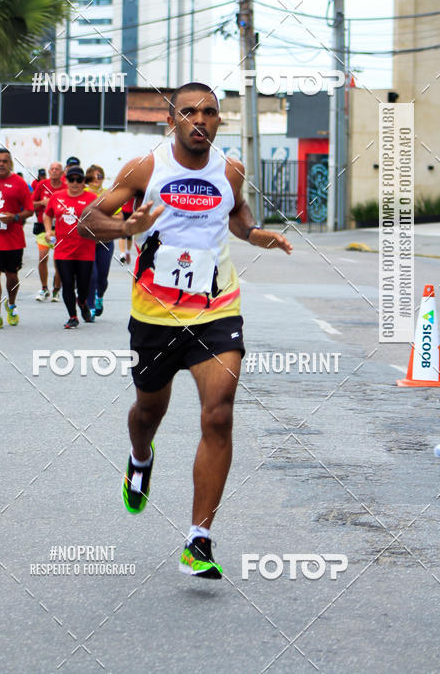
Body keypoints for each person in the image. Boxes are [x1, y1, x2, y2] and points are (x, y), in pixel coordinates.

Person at [79, 82, 292, 579]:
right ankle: (139, 457)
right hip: (154, 316)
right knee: (148, 411)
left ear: (221, 121)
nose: (201, 119)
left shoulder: (232, 169)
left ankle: (199, 538)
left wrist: (254, 233)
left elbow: (237, 214)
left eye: (211, 112)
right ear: (171, 119)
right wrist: (126, 230)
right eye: (190, 111)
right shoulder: (145, 168)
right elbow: (90, 220)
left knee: (218, 415)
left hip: (216, 309)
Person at [0, 148, 33, 329]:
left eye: (5, 161)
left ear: (10, 163)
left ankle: (11, 304)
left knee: (12, 276)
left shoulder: (19, 183)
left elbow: (29, 209)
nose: (1, 164)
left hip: (13, 239)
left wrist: (15, 217)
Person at [44, 166, 97, 328]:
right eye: (71, 179)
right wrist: (48, 231)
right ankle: (73, 316)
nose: (75, 183)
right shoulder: (57, 197)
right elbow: (47, 214)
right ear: (66, 181)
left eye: (78, 180)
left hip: (85, 250)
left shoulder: (92, 198)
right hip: (63, 250)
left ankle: (82, 302)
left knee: (83, 286)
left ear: (83, 182)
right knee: (67, 283)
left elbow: (101, 218)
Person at [84, 164, 114, 318]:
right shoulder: (82, 193)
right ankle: (90, 306)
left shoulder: (109, 195)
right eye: (94, 176)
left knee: (102, 277)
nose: (97, 180)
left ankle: (99, 296)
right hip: (87, 242)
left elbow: (119, 217)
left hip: (105, 242)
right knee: (91, 274)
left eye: (100, 176)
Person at [32, 161, 65, 301]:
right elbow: (30, 203)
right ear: (49, 171)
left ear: (62, 173)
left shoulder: (66, 186)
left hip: (60, 228)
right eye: (52, 169)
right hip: (42, 227)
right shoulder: (42, 185)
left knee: (59, 260)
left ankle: (56, 289)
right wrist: (42, 203)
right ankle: (44, 288)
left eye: (57, 169)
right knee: (43, 257)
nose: (54, 171)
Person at [118, 197, 134, 265]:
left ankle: (128, 252)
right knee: (123, 234)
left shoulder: (136, 190)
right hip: (123, 212)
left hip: (132, 213)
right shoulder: (122, 189)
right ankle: (122, 254)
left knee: (129, 235)